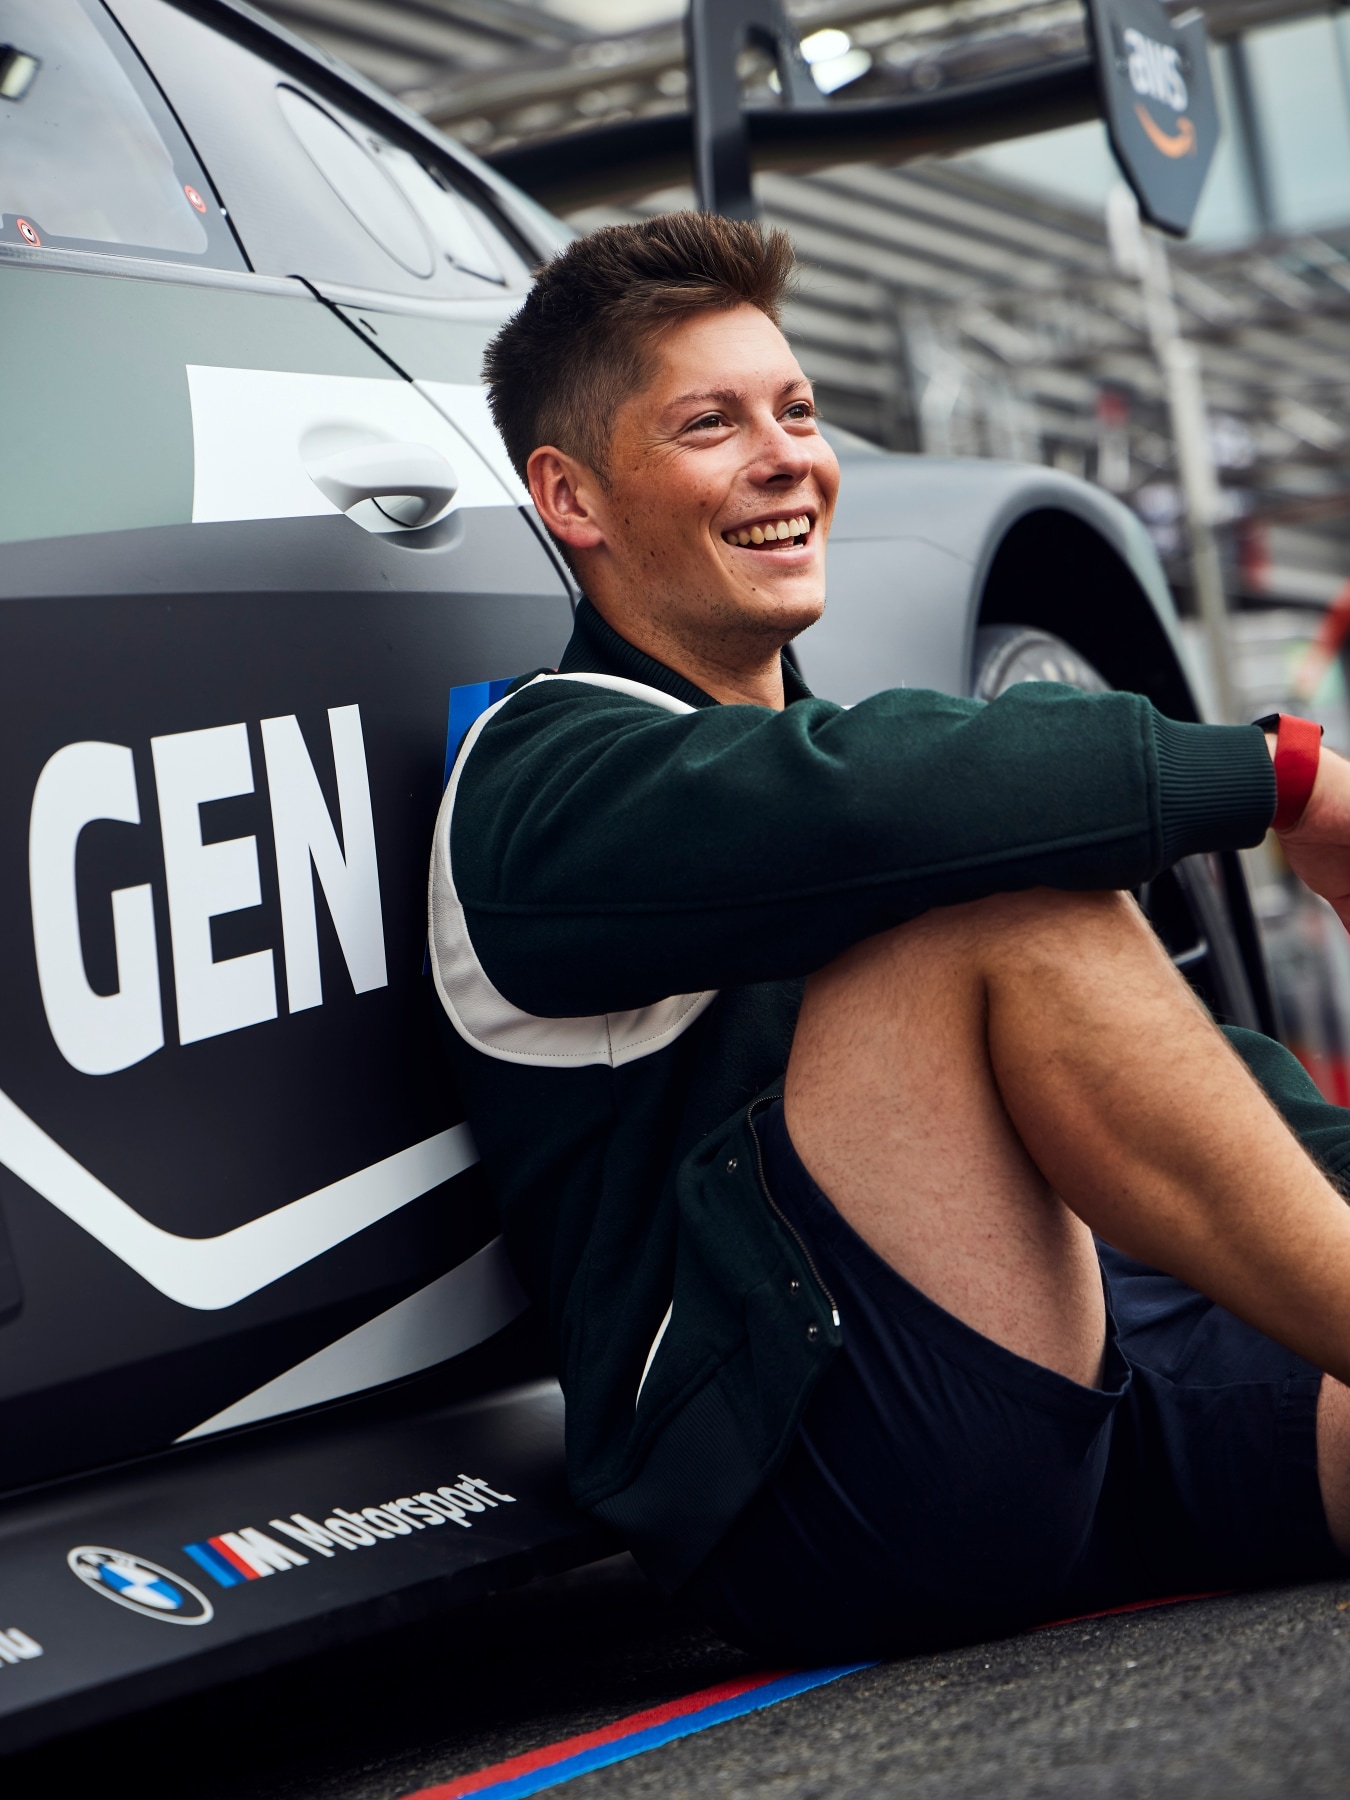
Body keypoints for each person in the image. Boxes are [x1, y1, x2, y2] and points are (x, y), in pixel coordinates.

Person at [429, 211, 1350, 1660]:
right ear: (575, 498)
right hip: (813, 1481)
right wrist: (1281, 774)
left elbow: (1200, 1085)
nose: (785, 452)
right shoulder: (542, 781)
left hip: (1078, 1393)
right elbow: (875, 807)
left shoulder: (829, 766)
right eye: (710, 424)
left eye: (795, 409)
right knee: (998, 889)